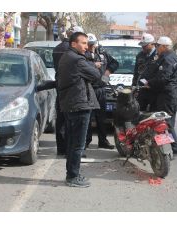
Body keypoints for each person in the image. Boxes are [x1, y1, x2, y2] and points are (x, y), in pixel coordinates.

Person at [57, 32, 104, 187]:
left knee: (72, 143)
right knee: (78, 144)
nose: (86, 46)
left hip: (70, 104)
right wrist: (91, 64)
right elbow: (96, 75)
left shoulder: (66, 57)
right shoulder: (77, 60)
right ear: (73, 44)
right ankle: (73, 176)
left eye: (86, 43)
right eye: (83, 43)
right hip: (79, 105)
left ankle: (72, 173)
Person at [144, 36, 177, 155]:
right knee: (164, 121)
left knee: (166, 123)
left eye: (158, 46)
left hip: (168, 95)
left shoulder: (168, 59)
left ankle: (175, 149)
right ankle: (164, 147)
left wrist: (150, 83)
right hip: (168, 94)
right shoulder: (167, 57)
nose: (156, 48)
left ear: (164, 46)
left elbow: (164, 77)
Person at [53, 26, 84, 156]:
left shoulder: (57, 48)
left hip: (60, 86)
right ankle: (69, 149)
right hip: (73, 89)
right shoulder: (74, 52)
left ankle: (61, 148)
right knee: (71, 123)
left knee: (60, 119)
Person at [84, 33, 119, 150]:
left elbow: (115, 63)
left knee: (101, 117)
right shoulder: (82, 54)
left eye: (92, 44)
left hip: (101, 89)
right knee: (88, 117)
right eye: (88, 45)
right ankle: (86, 141)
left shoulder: (102, 53)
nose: (90, 47)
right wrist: (93, 65)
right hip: (88, 89)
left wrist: (107, 72)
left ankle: (103, 141)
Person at [132, 33, 158, 111]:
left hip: (153, 89)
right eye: (142, 45)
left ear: (152, 44)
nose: (143, 47)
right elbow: (136, 72)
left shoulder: (159, 55)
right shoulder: (140, 55)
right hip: (142, 89)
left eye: (145, 45)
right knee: (139, 112)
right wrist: (134, 86)